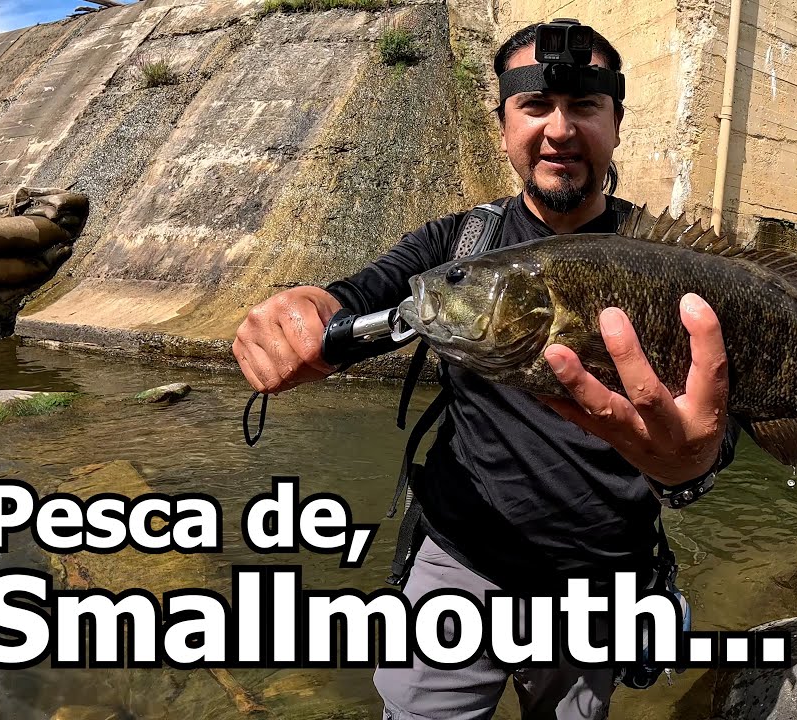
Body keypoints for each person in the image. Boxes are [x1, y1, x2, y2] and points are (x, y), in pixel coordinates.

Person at [232, 20, 739, 720]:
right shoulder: (461, 246)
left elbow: (719, 417)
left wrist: (691, 468)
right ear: (503, 126)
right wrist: (306, 311)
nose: (560, 129)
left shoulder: (678, 273)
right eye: (534, 106)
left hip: (599, 587)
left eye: (585, 106)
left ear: (616, 123)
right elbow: (367, 292)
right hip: (457, 566)